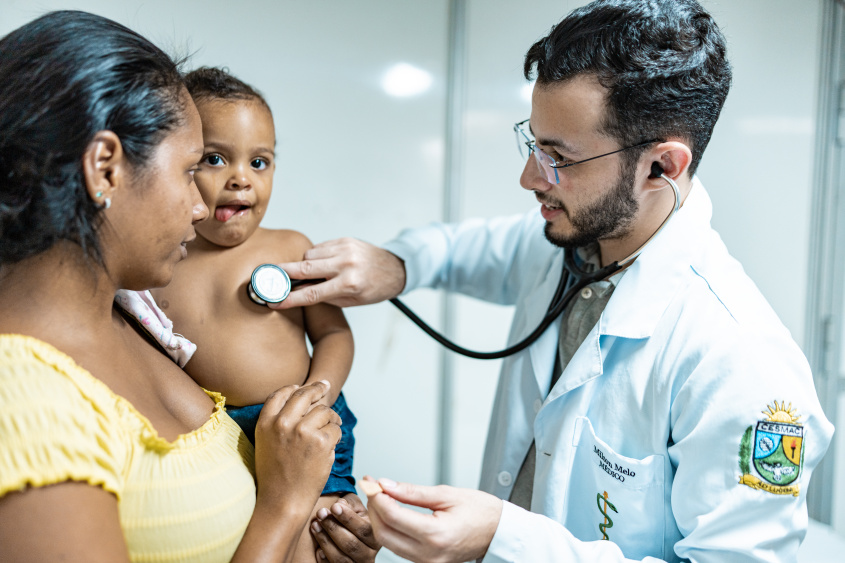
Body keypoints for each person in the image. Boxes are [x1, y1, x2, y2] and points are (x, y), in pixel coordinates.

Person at [273, 0, 834, 561]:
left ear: (662, 165)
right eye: (533, 143)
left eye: (558, 156)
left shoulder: (740, 360)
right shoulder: (568, 242)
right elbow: (458, 251)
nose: (528, 178)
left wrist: (502, 539)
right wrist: (396, 266)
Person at [0, 11, 373, 563]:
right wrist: (286, 505)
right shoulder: (23, 396)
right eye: (191, 169)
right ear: (105, 168)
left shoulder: (134, 322)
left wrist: (311, 545)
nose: (202, 206)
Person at [149, 66, 371, 563]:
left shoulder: (291, 248)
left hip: (300, 418)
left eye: (260, 162)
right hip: (217, 435)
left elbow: (334, 334)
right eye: (214, 158)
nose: (240, 179)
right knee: (248, 533)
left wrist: (319, 396)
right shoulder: (161, 264)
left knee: (324, 536)